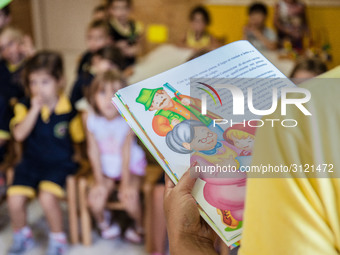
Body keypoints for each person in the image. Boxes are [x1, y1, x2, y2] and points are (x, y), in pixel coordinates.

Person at [164, 67, 340, 255]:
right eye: (198, 136)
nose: (206, 136)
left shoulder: (300, 115)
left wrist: (188, 239)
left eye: (204, 132)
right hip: (227, 186)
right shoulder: (311, 112)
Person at [6, 51, 84, 255]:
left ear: (59, 81)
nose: (38, 88)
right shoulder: (24, 106)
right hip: (31, 162)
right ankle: (22, 236)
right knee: (14, 199)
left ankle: (58, 240)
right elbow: (19, 135)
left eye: (45, 81)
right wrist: (34, 110)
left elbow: (79, 140)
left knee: (47, 197)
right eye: (33, 82)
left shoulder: (69, 111)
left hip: (60, 163)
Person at [85, 70, 146, 242]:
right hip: (107, 166)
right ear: (93, 96)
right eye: (102, 92)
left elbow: (126, 152)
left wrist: (126, 183)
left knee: (129, 198)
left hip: (130, 164)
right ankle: (105, 224)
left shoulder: (128, 119)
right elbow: (93, 150)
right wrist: (98, 181)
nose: (108, 99)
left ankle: (140, 227)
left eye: (115, 93)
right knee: (95, 199)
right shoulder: (90, 118)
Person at [107, 0, 143, 68]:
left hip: (131, 65)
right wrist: (115, 47)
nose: (121, 12)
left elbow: (139, 45)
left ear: (130, 9)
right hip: (114, 66)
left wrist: (133, 50)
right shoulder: (108, 27)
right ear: (110, 10)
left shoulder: (135, 26)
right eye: (117, 8)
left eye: (124, 8)